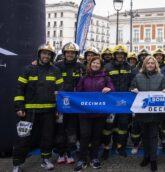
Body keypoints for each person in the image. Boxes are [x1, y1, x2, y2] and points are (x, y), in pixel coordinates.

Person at [12, 44, 63, 172]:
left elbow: (60, 91)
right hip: (29, 111)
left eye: (49, 54)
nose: (46, 56)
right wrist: (19, 107)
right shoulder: (28, 69)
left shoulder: (55, 70)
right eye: (44, 53)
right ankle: (17, 164)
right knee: (23, 138)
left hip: (49, 111)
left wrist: (59, 109)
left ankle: (45, 160)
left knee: (47, 137)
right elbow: (20, 89)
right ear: (39, 54)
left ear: (52, 56)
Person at [73, 56, 115, 172]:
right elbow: (78, 93)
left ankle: (94, 158)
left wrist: (109, 89)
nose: (95, 65)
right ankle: (82, 159)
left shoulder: (106, 78)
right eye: (93, 63)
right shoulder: (84, 77)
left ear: (101, 66)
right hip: (84, 114)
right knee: (85, 136)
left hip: (99, 114)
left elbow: (113, 90)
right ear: (90, 64)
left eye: (98, 63)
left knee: (96, 136)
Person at [130, 56, 165, 172]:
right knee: (145, 136)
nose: (150, 65)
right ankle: (146, 156)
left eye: (152, 63)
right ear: (144, 65)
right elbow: (131, 87)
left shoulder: (161, 77)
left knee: (153, 137)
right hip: (142, 113)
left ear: (155, 65)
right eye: (148, 63)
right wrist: (133, 89)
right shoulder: (138, 76)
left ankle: (153, 160)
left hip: (155, 114)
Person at [55, 42, 84, 165]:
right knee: (60, 128)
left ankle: (69, 152)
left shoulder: (81, 67)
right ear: (64, 53)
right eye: (68, 52)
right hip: (60, 103)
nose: (70, 54)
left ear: (76, 54)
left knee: (72, 129)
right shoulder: (57, 66)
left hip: (74, 104)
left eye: (72, 52)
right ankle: (61, 153)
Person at [102, 44, 133, 159]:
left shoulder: (129, 67)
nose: (120, 56)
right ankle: (106, 147)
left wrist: (132, 89)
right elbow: (102, 82)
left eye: (122, 54)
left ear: (125, 56)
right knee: (108, 127)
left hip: (124, 103)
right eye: (118, 54)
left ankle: (120, 147)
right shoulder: (107, 67)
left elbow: (132, 82)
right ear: (114, 55)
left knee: (123, 127)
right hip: (110, 102)